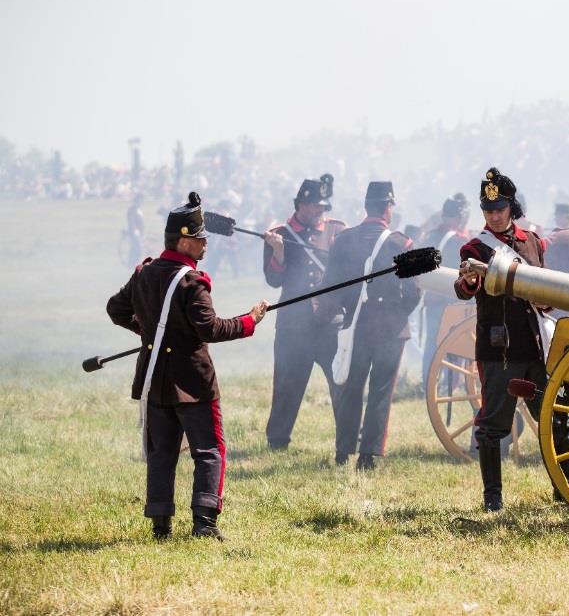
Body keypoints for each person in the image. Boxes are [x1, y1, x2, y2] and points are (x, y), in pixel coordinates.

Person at [106, 193, 269, 541]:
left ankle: (161, 526)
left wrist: (151, 331)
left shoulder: (144, 272)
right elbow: (210, 329)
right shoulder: (192, 281)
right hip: (193, 383)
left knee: (161, 454)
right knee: (210, 451)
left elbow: (116, 309)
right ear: (183, 241)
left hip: (154, 379)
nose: (205, 243)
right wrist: (249, 321)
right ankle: (205, 523)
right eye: (199, 238)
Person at [455, 167, 560, 511]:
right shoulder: (474, 247)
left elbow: (543, 290)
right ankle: (493, 499)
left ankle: (565, 490)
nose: (494, 216)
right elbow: (465, 288)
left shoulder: (531, 241)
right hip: (498, 348)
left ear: (511, 209)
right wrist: (469, 278)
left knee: (552, 418)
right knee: (492, 425)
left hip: (533, 345)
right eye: (488, 211)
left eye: (500, 210)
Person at [322, 181, 421, 470]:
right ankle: (368, 455)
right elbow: (413, 291)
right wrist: (398, 314)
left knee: (351, 388)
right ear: (388, 207)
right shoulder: (401, 243)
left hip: (354, 323)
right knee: (381, 390)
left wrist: (345, 310)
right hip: (390, 327)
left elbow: (331, 285)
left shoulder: (343, 240)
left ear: (367, 206)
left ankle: (343, 451)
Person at [262, 176, 346, 450]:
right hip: (293, 326)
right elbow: (274, 280)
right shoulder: (280, 234)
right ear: (300, 205)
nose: (317, 211)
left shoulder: (337, 231)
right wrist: (279, 253)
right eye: (312, 206)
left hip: (329, 321)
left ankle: (347, 437)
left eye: (321, 207)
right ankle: (277, 441)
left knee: (341, 382)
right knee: (286, 386)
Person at [420, 193, 470, 387]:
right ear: (459, 218)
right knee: (452, 344)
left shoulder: (431, 236)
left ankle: (428, 383)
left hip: (432, 300)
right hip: (452, 302)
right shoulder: (459, 241)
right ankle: (448, 385)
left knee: (432, 345)